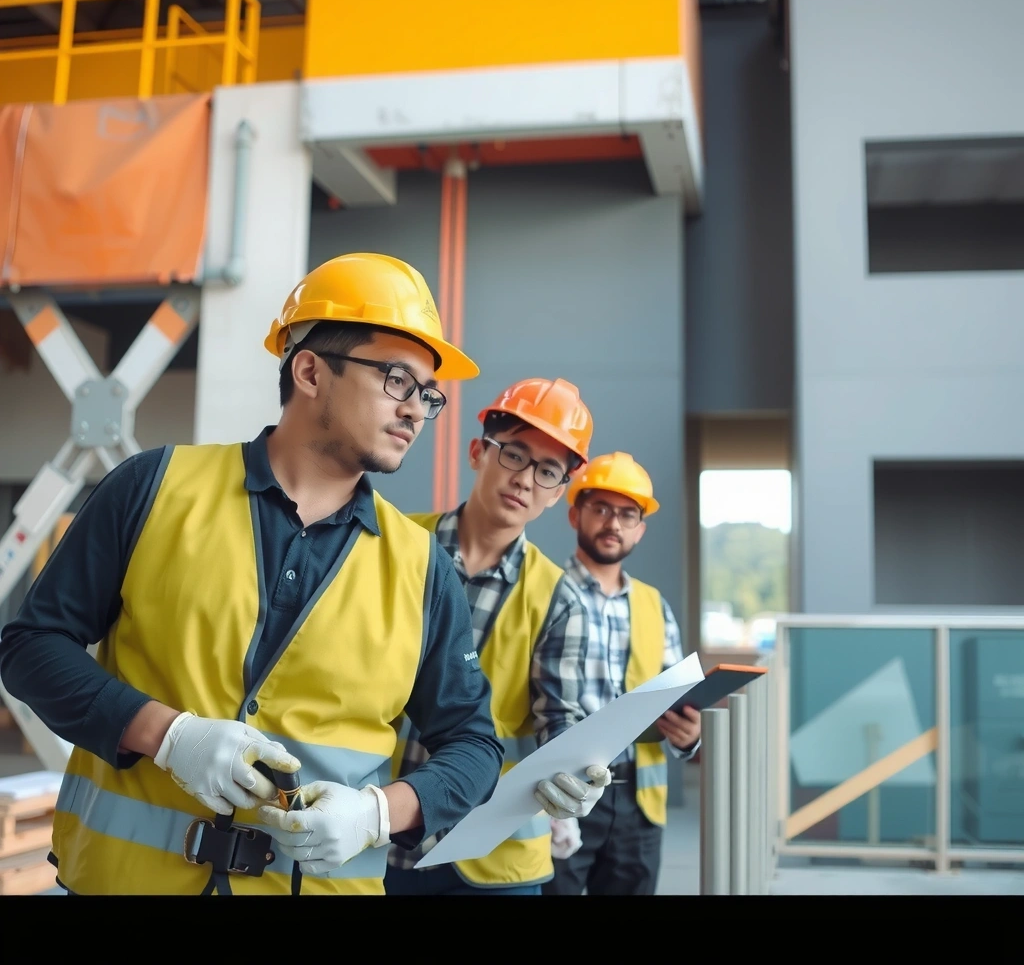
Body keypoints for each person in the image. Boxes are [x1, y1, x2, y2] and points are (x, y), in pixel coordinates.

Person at [0, 252, 507, 896]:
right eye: (396, 380)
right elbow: (30, 650)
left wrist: (377, 815)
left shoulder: (423, 567)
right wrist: (167, 735)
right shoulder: (152, 488)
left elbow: (473, 747)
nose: (415, 411)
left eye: (428, 395)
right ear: (310, 370)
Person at [384, 377, 614, 896]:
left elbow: (561, 722)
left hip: (492, 857)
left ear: (558, 494)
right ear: (477, 453)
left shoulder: (559, 599)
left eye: (548, 471)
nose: (526, 480)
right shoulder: (396, 545)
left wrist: (578, 775)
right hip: (373, 830)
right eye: (514, 454)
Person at [543, 451, 702, 896]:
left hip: (638, 802)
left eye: (628, 514)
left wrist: (689, 737)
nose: (614, 523)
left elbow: (675, 697)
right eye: (601, 509)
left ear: (640, 529)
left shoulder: (655, 606)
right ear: (575, 513)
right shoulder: (545, 592)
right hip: (564, 795)